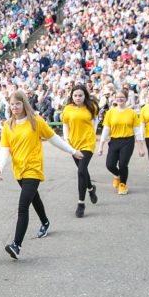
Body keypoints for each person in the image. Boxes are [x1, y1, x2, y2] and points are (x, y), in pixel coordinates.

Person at [0, 90, 83, 258]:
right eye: (12, 104)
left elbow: (54, 139)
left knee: (23, 206)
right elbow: (4, 150)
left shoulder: (36, 121)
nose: (14, 107)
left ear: (24, 104)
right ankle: (45, 222)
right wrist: (0, 166)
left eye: (17, 104)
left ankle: (16, 245)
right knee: (34, 198)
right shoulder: (8, 125)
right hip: (19, 170)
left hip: (33, 169)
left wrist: (72, 151)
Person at [60, 85, 99, 217]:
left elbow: (95, 120)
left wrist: (92, 133)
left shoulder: (91, 106)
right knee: (83, 171)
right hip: (73, 143)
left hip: (87, 143)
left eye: (80, 95)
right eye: (75, 95)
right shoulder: (67, 109)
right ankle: (90, 188)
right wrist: (66, 139)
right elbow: (65, 124)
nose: (78, 98)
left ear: (85, 96)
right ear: (72, 96)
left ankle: (81, 203)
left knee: (81, 170)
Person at [97, 90, 146, 195]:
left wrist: (140, 148)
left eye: (122, 97)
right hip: (114, 141)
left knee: (123, 164)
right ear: (114, 98)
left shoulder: (132, 113)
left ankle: (123, 184)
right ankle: (117, 175)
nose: (119, 99)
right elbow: (106, 130)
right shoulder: (110, 112)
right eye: (117, 97)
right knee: (110, 165)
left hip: (128, 141)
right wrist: (101, 146)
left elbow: (137, 132)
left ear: (126, 98)